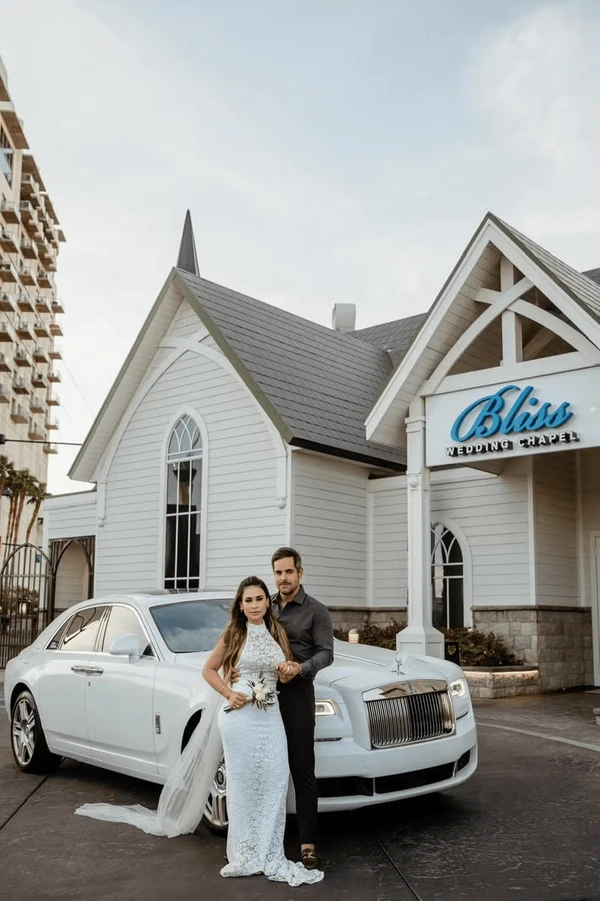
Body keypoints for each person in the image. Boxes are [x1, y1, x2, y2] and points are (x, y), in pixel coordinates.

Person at [75, 576, 324, 888]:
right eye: (248, 600)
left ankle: (270, 851)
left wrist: (288, 672)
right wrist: (228, 693)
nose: (255, 605)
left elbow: (284, 677)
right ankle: (245, 852)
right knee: (242, 786)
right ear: (241, 605)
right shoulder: (234, 633)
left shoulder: (277, 631)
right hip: (239, 718)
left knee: (274, 782)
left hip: (270, 716)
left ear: (266, 602)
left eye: (259, 599)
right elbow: (208, 670)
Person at [270, 547, 334, 872]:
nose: (283, 578)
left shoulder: (316, 611)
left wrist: (301, 667)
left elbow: (327, 653)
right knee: (268, 770)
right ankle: (269, 837)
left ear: (300, 573)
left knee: (302, 771)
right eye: (278, 573)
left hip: (297, 696)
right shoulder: (263, 607)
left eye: (288, 572)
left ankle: (307, 844)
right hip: (264, 700)